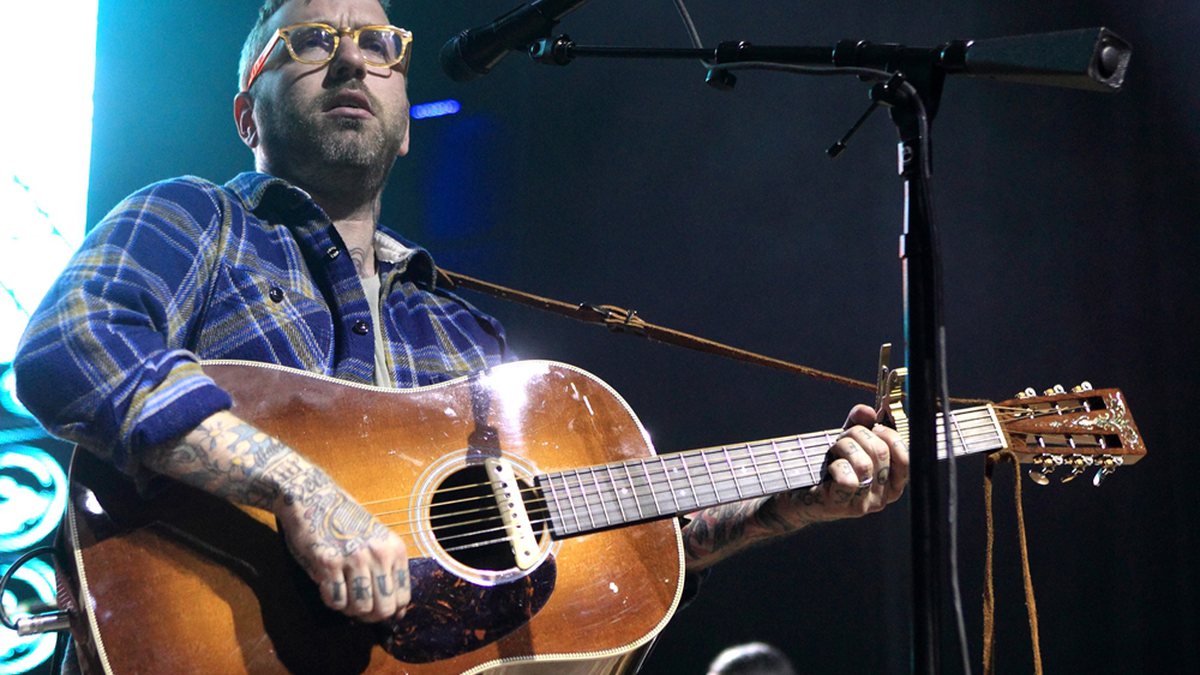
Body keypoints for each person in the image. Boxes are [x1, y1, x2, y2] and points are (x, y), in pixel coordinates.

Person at [15, 0, 908, 655]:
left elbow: (598, 554)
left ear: (406, 129)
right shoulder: (198, 220)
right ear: (248, 114)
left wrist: (791, 504)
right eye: (307, 42)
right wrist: (298, 486)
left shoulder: (463, 339)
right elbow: (72, 345)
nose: (349, 60)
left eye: (377, 45)